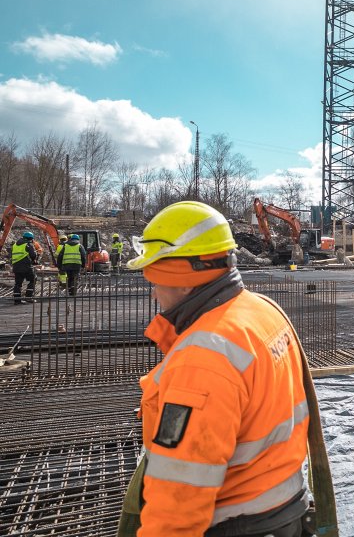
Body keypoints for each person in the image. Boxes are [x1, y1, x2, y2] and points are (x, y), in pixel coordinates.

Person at [117, 200, 337, 537]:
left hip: (237, 524)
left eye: (155, 278)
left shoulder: (204, 356)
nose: (154, 292)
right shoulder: (262, 309)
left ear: (184, 280)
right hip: (285, 509)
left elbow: (177, 502)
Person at [11, 231, 39, 304]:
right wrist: (34, 260)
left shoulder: (15, 245)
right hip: (26, 266)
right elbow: (33, 255)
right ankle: (28, 297)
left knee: (18, 284)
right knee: (33, 279)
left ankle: (17, 301)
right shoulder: (28, 244)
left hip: (16, 266)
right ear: (30, 238)